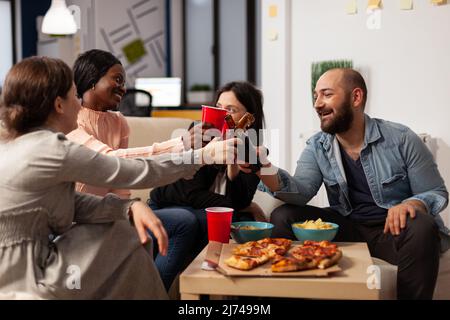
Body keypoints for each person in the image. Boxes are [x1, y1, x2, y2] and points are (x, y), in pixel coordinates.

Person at [0, 56, 236, 299]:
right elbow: (128, 169)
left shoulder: (16, 144)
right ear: (59, 105)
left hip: (32, 263)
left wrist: (129, 206)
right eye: (74, 96)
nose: (79, 104)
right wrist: (201, 156)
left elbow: (74, 201)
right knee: (125, 234)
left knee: (127, 232)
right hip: (29, 278)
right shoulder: (52, 149)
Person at [256, 68, 449, 300]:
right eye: (315, 96)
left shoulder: (401, 138)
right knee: (283, 216)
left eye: (326, 94)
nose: (317, 104)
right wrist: (262, 167)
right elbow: (301, 191)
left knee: (422, 225)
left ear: (356, 97)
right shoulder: (318, 146)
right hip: (348, 229)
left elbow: (435, 191)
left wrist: (414, 203)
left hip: (392, 233)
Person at [66, 49, 215, 291]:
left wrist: (129, 210)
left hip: (111, 212)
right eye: (117, 79)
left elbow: (120, 180)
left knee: (185, 221)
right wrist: (182, 144)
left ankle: (154, 292)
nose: (123, 88)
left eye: (124, 81)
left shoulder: (118, 122)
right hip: (79, 218)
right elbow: (112, 161)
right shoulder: (72, 122)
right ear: (92, 80)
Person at [150, 81, 266, 251]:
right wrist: (245, 206)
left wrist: (233, 163)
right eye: (219, 107)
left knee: (235, 220)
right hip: (169, 204)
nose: (223, 114)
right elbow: (192, 194)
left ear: (249, 118)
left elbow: (241, 199)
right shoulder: (199, 134)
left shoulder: (252, 150)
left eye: (231, 110)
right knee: (210, 220)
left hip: (198, 208)